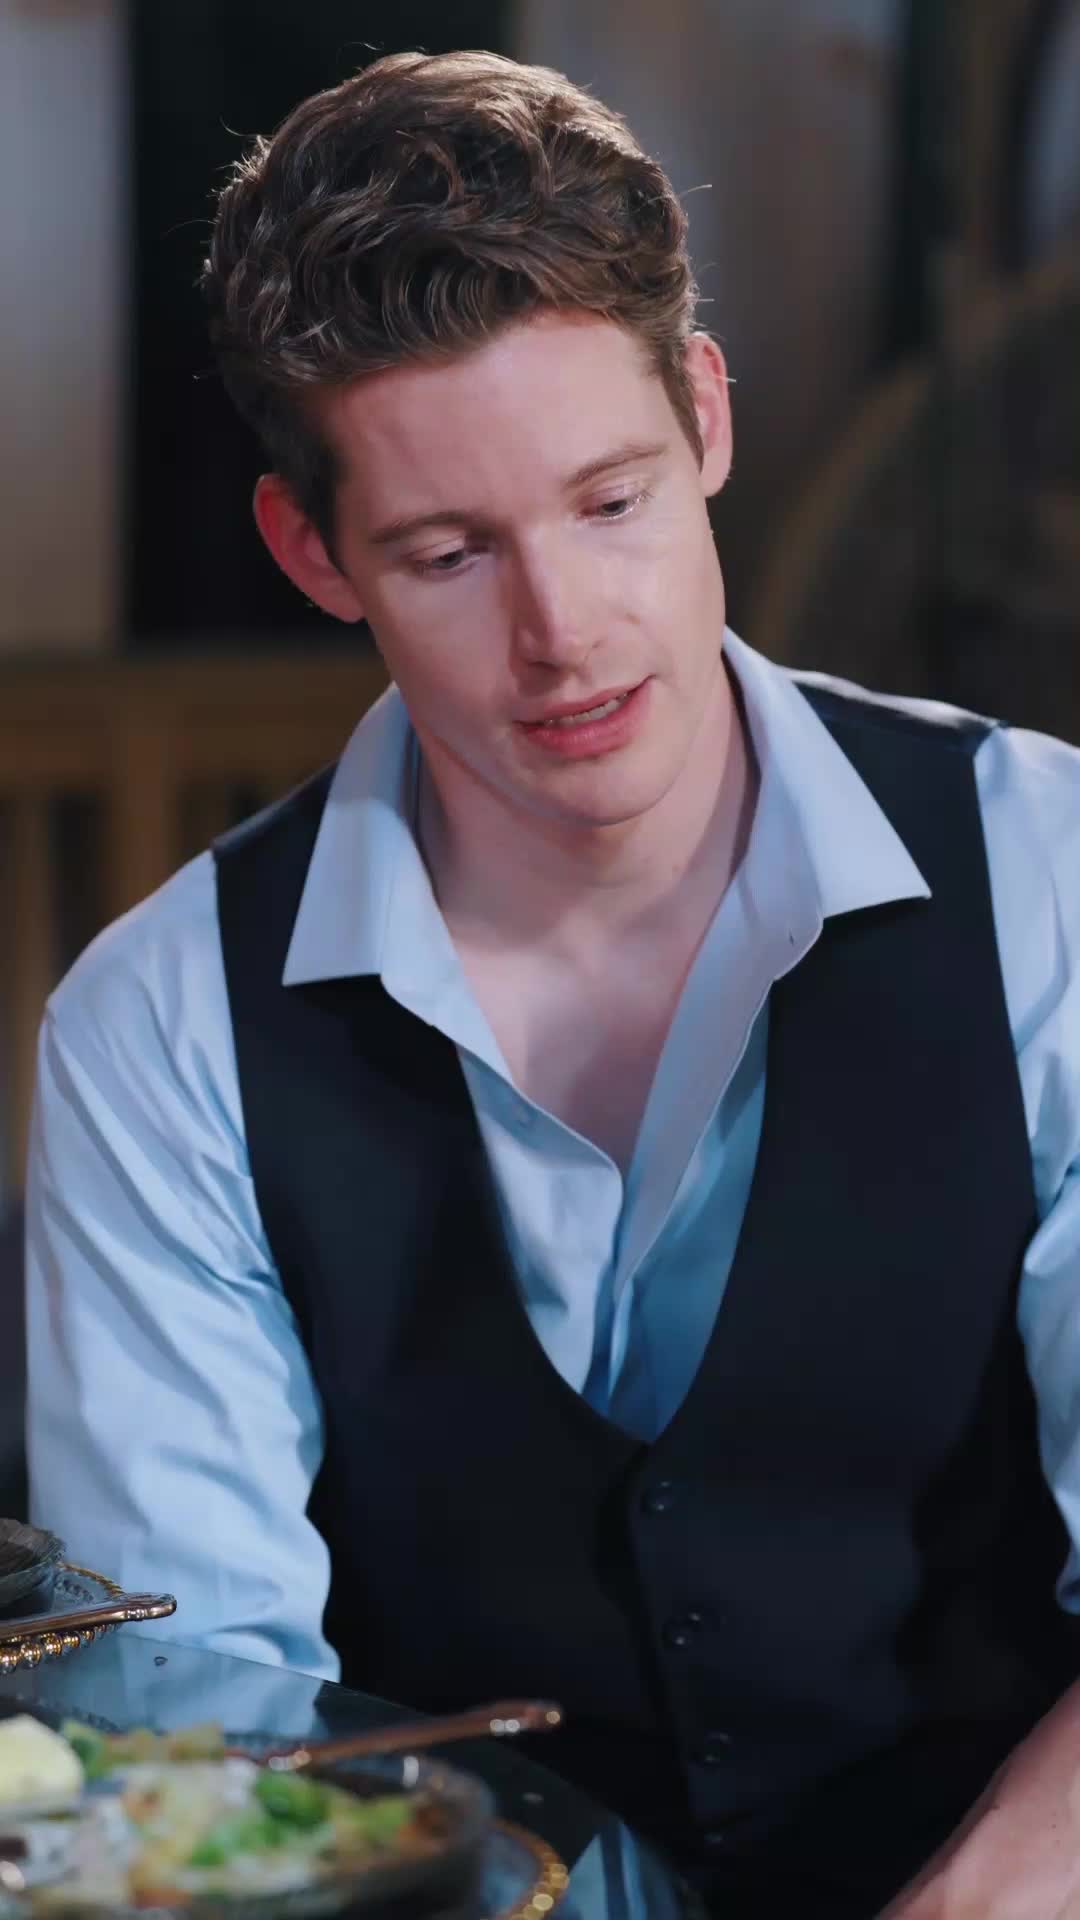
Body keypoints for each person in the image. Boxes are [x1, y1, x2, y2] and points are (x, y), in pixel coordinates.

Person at [23, 47, 1080, 1920]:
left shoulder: (1053, 871)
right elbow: (208, 1744)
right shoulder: (161, 1027)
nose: (564, 634)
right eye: (448, 553)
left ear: (706, 414)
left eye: (612, 503)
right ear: (313, 552)